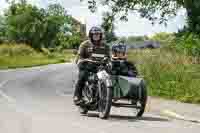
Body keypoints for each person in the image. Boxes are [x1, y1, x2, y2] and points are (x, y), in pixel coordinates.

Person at [73, 26, 110, 105]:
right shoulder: (85, 44)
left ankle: (107, 94)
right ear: (91, 35)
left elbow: (108, 57)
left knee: (108, 76)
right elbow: (79, 57)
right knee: (82, 76)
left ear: (101, 35)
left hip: (99, 67)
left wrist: (107, 61)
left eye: (98, 34)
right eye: (94, 34)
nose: (96, 36)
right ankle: (77, 96)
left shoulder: (105, 46)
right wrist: (81, 60)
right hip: (87, 66)